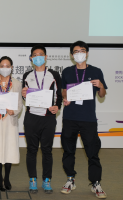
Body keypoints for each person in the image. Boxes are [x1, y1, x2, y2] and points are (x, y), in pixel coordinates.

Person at [60, 41, 107, 199]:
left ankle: (95, 183)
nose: (79, 53)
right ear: (72, 55)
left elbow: (101, 95)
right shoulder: (67, 71)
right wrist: (65, 99)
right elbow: (63, 92)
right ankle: (70, 179)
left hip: (88, 119)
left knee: (92, 152)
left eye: (81, 51)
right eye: (75, 51)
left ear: (87, 53)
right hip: (70, 117)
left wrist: (101, 86)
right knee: (68, 150)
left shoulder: (96, 71)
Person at [21, 44, 62, 194]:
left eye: (41, 54)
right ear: (31, 58)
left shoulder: (54, 74)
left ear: (45, 57)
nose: (38, 57)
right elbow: (24, 96)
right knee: (31, 150)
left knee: (47, 150)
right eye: (35, 55)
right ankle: (33, 180)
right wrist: (23, 94)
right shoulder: (27, 76)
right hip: (31, 117)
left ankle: (47, 180)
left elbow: (59, 96)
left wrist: (57, 106)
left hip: (48, 118)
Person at [0, 56, 22, 191]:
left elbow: (20, 104)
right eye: (2, 65)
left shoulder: (17, 84)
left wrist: (14, 111)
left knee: (9, 149)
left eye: (8, 66)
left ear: (12, 68)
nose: (5, 68)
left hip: (9, 120)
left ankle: (7, 178)